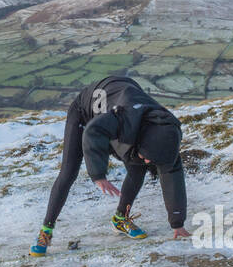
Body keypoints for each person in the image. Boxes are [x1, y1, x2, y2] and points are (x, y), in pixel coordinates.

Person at [29, 75, 188, 256]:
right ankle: (45, 231)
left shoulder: (166, 136)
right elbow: (93, 131)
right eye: (147, 155)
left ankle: (120, 218)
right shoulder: (123, 118)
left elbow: (172, 174)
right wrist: (98, 175)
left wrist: (177, 223)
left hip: (119, 102)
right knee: (68, 172)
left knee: (138, 167)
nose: (147, 160)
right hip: (85, 112)